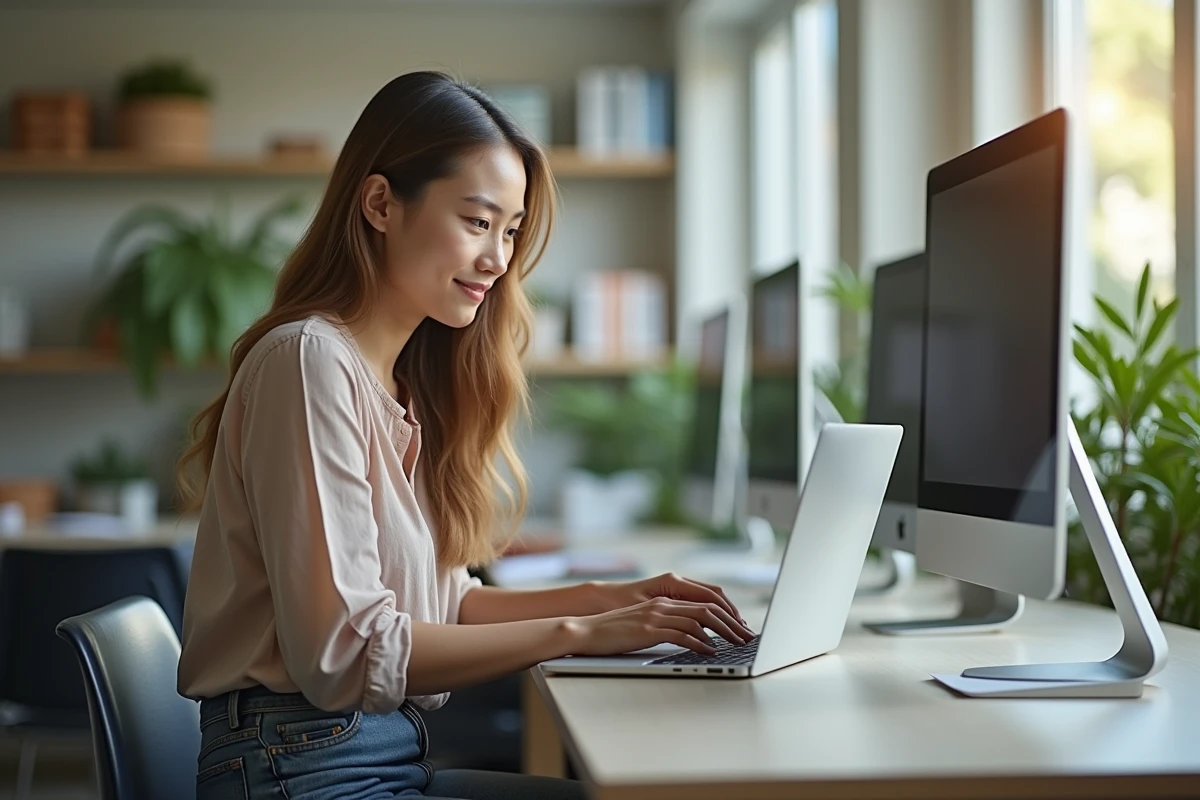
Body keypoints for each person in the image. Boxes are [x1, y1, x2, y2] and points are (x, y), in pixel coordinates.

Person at [175, 70, 754, 800]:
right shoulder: (308, 361)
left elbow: (445, 606)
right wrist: (580, 635)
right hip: (299, 768)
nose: (499, 259)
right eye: (477, 222)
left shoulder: (399, 385)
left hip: (360, 756)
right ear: (381, 203)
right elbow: (343, 652)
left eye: (510, 231)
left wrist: (615, 601)